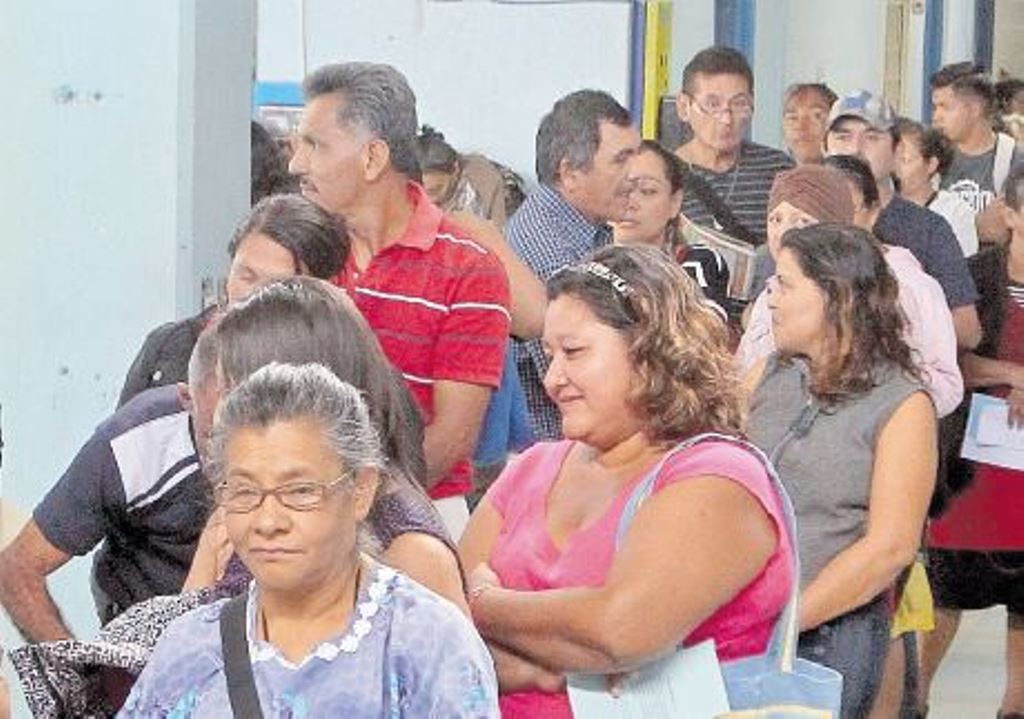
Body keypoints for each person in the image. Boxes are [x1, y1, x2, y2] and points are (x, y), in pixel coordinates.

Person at [459, 245, 794, 717]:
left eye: (574, 352)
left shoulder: (717, 477)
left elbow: (620, 633)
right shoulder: (534, 466)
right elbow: (442, 623)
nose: (553, 378)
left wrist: (486, 601)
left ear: (651, 351)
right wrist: (523, 670)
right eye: (550, 355)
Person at [118, 363, 499, 717]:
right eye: (244, 492)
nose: (268, 521)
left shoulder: (424, 643)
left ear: (361, 490)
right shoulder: (190, 650)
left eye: (299, 492)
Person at [288, 62, 511, 538]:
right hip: (301, 516)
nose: (296, 165)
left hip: (416, 516)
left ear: (372, 158)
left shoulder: (468, 269)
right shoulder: (304, 251)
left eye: (315, 145)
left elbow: (451, 439)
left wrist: (351, 512)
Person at [745, 223, 937, 718]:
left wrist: (785, 620)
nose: (770, 299)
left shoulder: (901, 404)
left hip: (828, 637)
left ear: (837, 296)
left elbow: (889, 547)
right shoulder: (768, 374)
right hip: (743, 624)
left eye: (784, 284)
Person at [184, 278, 466, 609]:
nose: (220, 416)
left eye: (234, 393)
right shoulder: (245, 504)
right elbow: (185, 639)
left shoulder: (410, 550)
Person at [737, 160, 962, 419]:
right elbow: (744, 377)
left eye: (803, 220)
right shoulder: (772, 294)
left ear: (836, 226)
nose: (784, 232)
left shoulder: (903, 286)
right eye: (775, 219)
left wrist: (867, 404)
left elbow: (946, 386)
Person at [920, 164, 1024, 719]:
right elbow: (946, 359)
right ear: (1009, 212)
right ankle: (913, 701)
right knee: (947, 601)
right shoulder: (974, 277)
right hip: (972, 476)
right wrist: (1013, 374)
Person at [117, 194, 346, 407]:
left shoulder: (339, 362)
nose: (254, 295)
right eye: (246, 276)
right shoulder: (169, 348)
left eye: (276, 286)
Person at [506, 89, 641, 440]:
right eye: (620, 160)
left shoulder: (588, 230)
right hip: (557, 448)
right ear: (569, 173)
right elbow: (580, 377)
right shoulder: (550, 253)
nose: (635, 175)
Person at [825, 89, 982, 351]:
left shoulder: (928, 229)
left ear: (897, 150)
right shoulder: (803, 220)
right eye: (843, 137)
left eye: (872, 137)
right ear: (825, 147)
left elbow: (967, 330)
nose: (855, 149)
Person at [674, 46, 794, 245]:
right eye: (713, 105)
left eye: (739, 104)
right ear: (684, 107)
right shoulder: (664, 176)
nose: (726, 118)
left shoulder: (778, 169)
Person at [611, 139, 730, 313]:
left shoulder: (698, 263)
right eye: (620, 189)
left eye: (647, 191)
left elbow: (701, 331)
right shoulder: (584, 269)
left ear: (675, 202)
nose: (630, 203)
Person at [932, 62, 1022, 244]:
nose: (936, 116)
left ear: (974, 109)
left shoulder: (1014, 161)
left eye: (945, 107)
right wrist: (975, 228)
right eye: (935, 107)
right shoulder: (932, 158)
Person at [896, 119, 979, 257]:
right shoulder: (880, 205)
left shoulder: (955, 212)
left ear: (931, 165)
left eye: (905, 160)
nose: (896, 169)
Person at [415, 125, 512, 227]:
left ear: (455, 170)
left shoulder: (482, 183)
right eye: (420, 192)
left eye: (435, 190)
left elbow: (498, 234)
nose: (429, 200)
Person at [782, 82, 838, 166]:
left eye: (816, 116)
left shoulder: (853, 177)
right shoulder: (772, 175)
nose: (801, 126)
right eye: (792, 118)